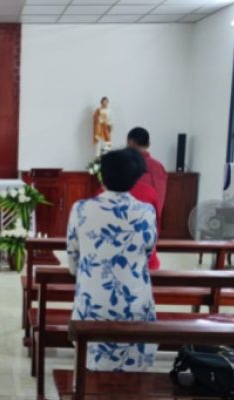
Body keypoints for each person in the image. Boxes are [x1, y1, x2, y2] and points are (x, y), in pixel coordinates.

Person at [67, 148, 158, 371]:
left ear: (102, 176)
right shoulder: (146, 211)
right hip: (134, 300)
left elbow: (73, 256)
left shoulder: (81, 209)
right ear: (134, 179)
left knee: (93, 361)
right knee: (133, 364)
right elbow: (147, 252)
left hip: (93, 301)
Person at [127, 127, 168, 269]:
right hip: (150, 222)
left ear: (130, 142)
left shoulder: (126, 165)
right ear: (148, 144)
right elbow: (160, 199)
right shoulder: (158, 167)